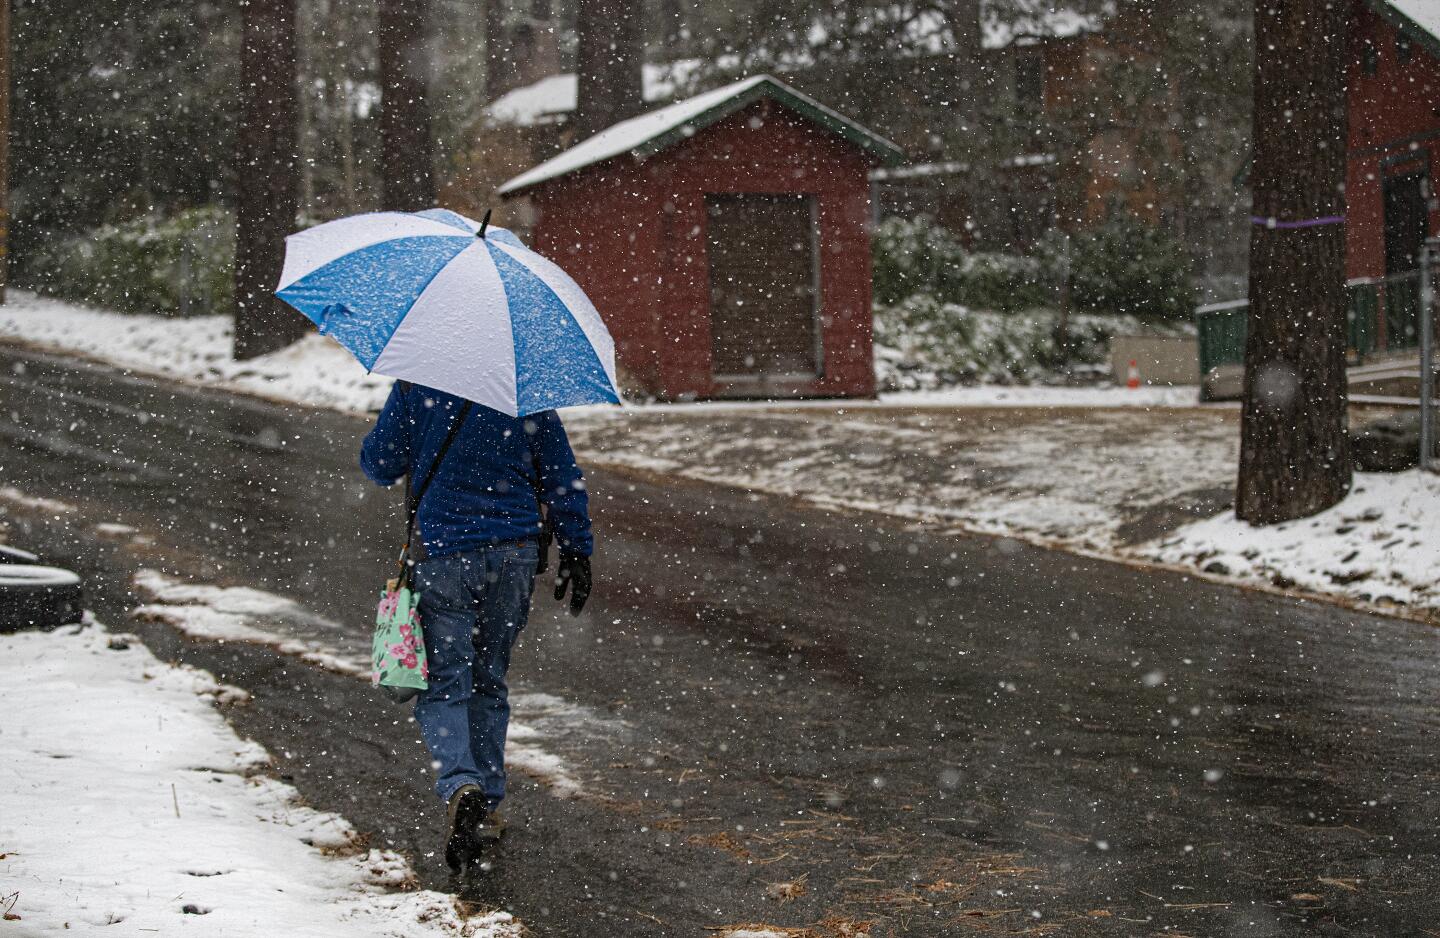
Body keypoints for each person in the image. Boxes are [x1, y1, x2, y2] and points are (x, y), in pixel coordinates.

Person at [360, 380, 593, 870]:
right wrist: (577, 547)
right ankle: (485, 802)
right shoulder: (524, 387)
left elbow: (378, 465)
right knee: (489, 678)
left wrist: (409, 437)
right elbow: (561, 474)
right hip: (513, 552)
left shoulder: (416, 382)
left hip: (444, 552)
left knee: (446, 682)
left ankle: (460, 783)